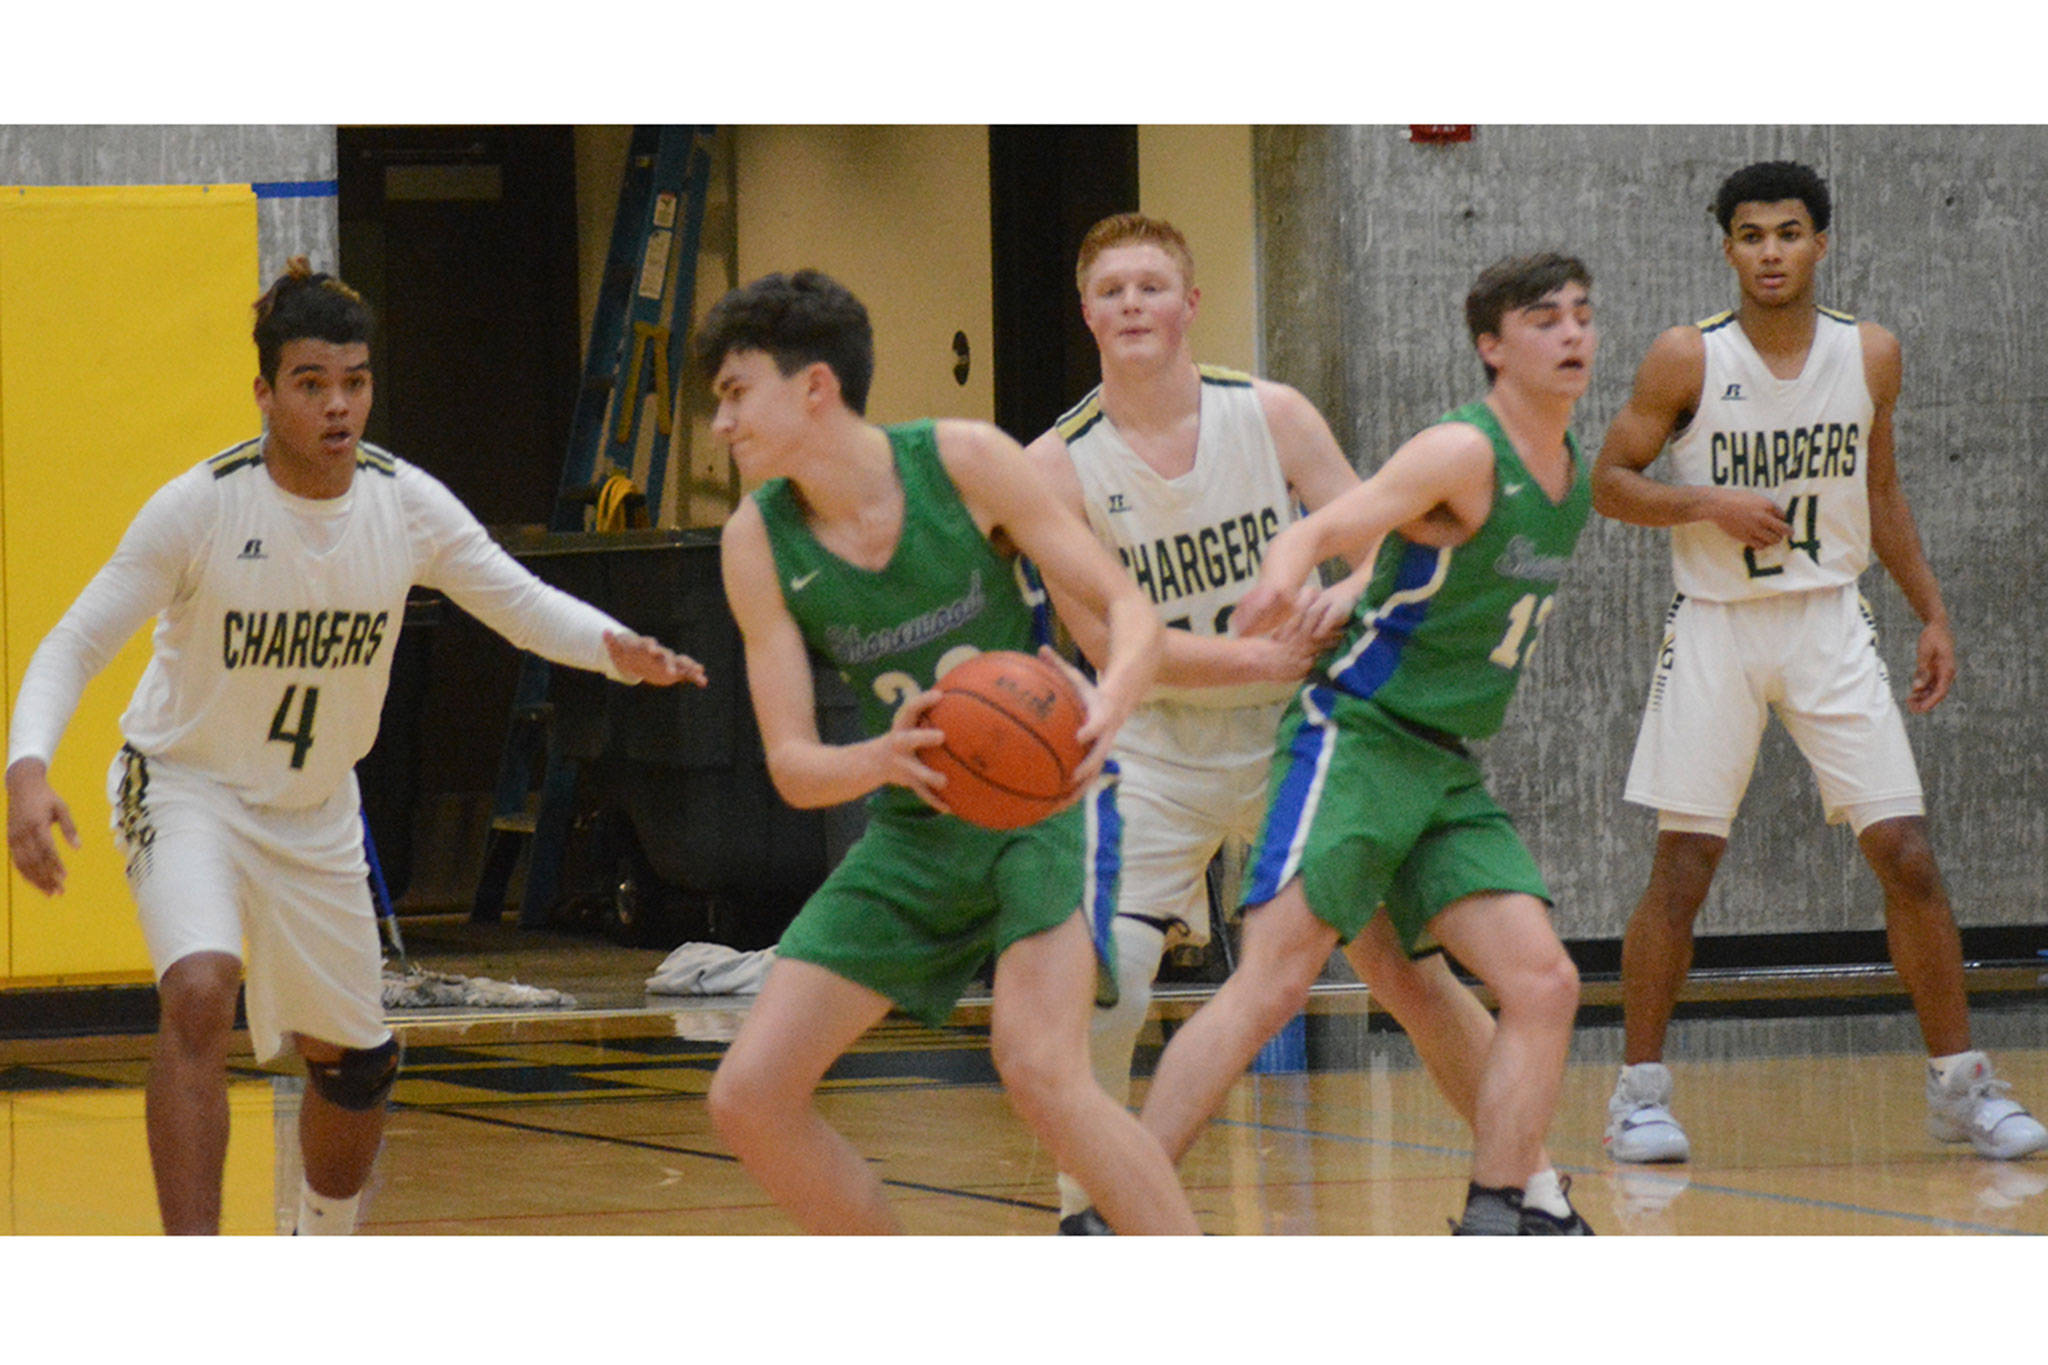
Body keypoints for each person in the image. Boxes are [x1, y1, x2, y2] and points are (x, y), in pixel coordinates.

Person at [2, 259, 707, 1235]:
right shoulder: (201, 506)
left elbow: (516, 601)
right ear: (264, 393)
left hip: (316, 808)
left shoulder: (403, 503)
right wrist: (27, 770)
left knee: (358, 1065)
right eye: (311, 383)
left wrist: (614, 648)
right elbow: (74, 643)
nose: (338, 405)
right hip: (185, 786)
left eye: (355, 381)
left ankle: (318, 1245)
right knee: (200, 990)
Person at [1026, 214, 1588, 1235]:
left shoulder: (1271, 414)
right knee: (1109, 982)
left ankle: (1527, 1190)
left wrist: (1338, 595)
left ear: (1190, 305)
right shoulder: (1055, 467)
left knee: (1406, 974)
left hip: (1297, 728)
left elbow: (1379, 540)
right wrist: (1250, 653)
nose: (1133, 304)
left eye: (1152, 285)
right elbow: (1105, 641)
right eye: (1111, 290)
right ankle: (1095, 1203)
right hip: (1156, 745)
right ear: (1085, 314)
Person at [695, 268, 1198, 1234]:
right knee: (749, 1095)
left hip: (1041, 811)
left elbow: (1129, 609)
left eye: (734, 393)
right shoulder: (755, 541)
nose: (721, 423)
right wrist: (881, 758)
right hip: (913, 830)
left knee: (1040, 1066)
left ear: (814, 387)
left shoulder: (963, 461)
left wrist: (1108, 704)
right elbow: (794, 766)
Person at [1594, 160, 2046, 1164]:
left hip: (1829, 622)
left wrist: (1931, 610)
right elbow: (1609, 481)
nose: (1770, 252)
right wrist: (1707, 502)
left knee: (1906, 852)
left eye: (1788, 233)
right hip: (1716, 625)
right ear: (1726, 248)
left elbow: (1879, 492)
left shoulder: (1868, 353)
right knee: (1684, 863)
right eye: (1751, 235)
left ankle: (1960, 1084)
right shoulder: (1685, 356)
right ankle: (1636, 1095)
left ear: (1820, 243)